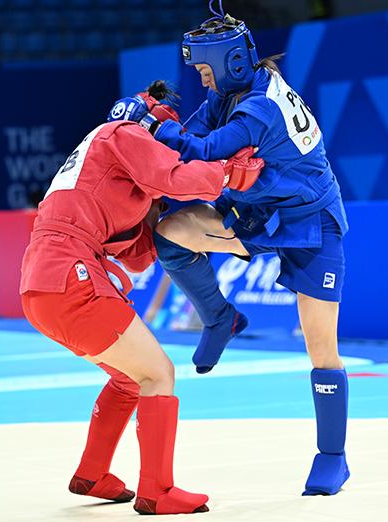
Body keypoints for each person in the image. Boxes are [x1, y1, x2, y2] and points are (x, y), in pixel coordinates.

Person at [107, 6, 351, 496]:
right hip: (259, 212)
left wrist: (146, 124)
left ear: (231, 62)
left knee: (321, 347)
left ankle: (333, 456)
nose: (201, 79)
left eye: (204, 69)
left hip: (312, 223)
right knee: (170, 233)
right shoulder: (230, 92)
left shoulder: (260, 107)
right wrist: (152, 127)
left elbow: (204, 150)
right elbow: (190, 135)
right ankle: (220, 318)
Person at [20, 82, 264, 515]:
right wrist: (226, 174)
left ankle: (93, 473)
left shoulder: (102, 153)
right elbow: (171, 175)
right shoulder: (125, 133)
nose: (175, 144)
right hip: (72, 276)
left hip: (44, 283)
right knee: (159, 374)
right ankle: (157, 490)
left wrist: (171, 224)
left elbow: (135, 257)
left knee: (129, 378)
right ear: (156, 118)